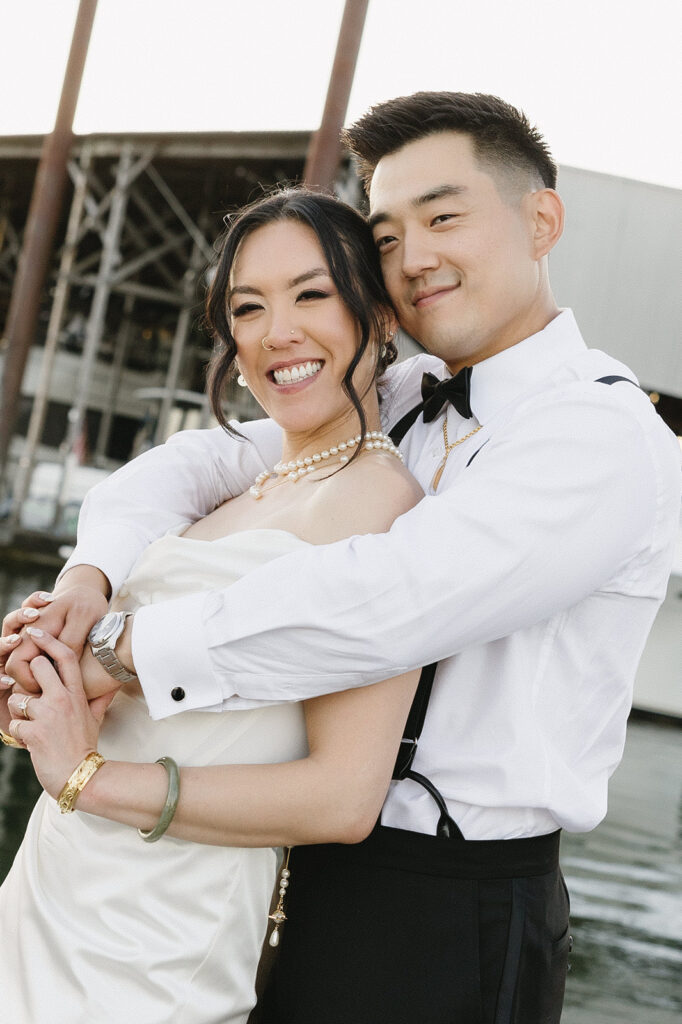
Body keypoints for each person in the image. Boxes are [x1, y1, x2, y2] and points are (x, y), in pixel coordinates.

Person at [3, 91, 681, 1023]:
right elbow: (200, 463)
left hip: (448, 893)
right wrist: (86, 582)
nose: (414, 259)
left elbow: (384, 603)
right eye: (388, 236)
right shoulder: (395, 391)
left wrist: (119, 652)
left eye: (443, 217)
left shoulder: (598, 435)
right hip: (281, 860)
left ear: (542, 219)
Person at [0, 189, 423, 1024]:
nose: (277, 332)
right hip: (52, 887)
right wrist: (39, 675)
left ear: (377, 315)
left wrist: (87, 776)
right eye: (248, 307)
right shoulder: (239, 489)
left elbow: (341, 799)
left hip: (158, 944)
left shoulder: (388, 510)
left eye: (312, 295)